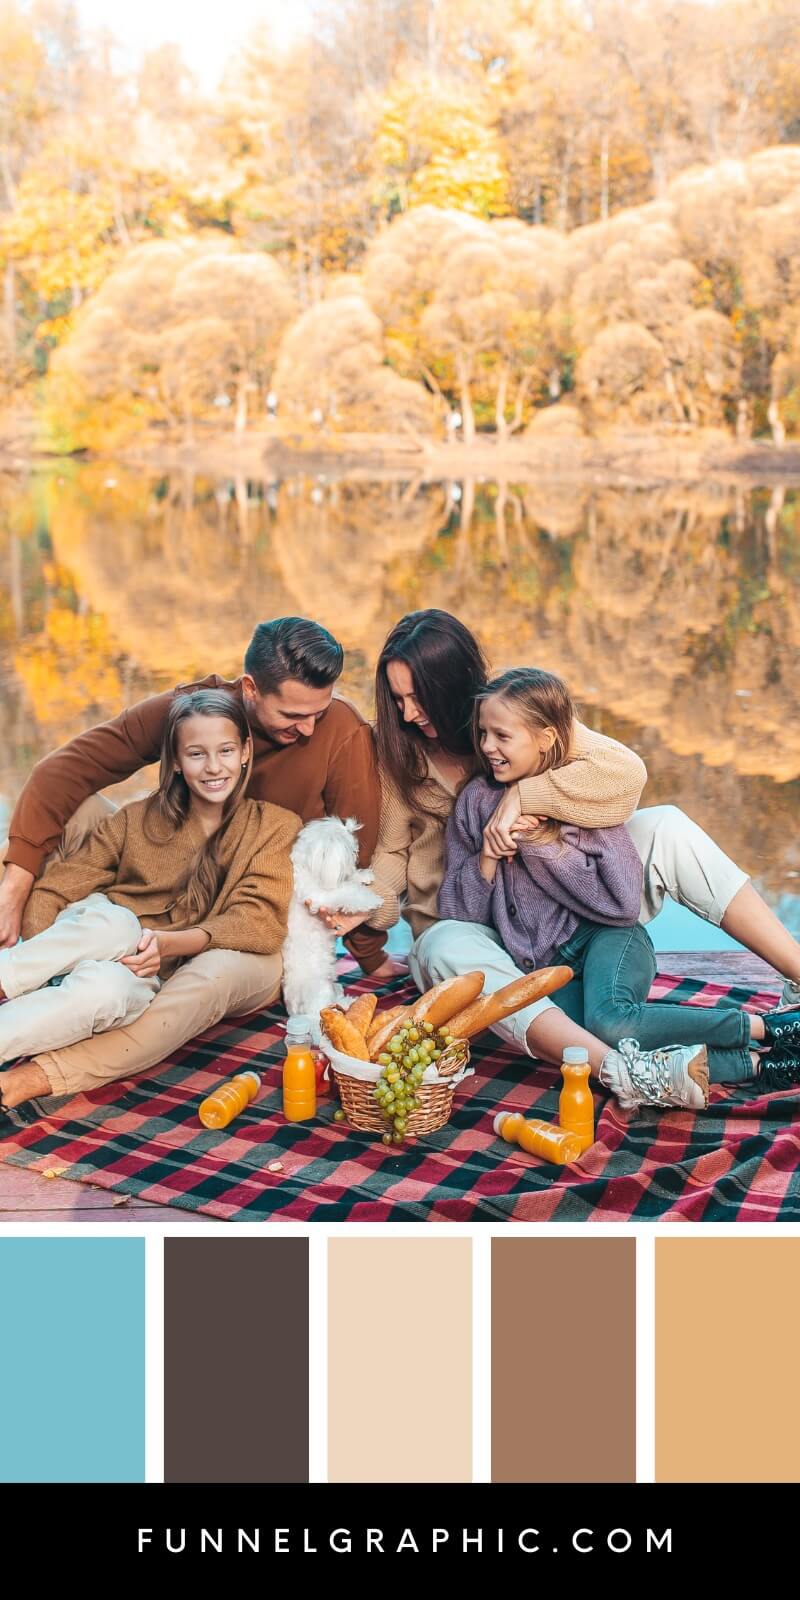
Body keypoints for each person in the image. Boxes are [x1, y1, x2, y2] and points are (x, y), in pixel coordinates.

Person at [331, 609, 800, 1110]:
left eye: (417, 698)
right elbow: (390, 857)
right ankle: (624, 1072)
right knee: (446, 942)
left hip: (582, 908)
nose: (406, 713)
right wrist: (363, 908)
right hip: (480, 933)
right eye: (396, 698)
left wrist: (527, 797)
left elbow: (624, 773)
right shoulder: (398, 753)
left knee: (667, 825)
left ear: (454, 686)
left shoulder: (517, 710)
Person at [0, 616, 388, 1105]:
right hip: (162, 895)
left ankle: (31, 1079)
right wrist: (17, 888)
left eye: (320, 710)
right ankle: (29, 963)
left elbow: (353, 853)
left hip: (258, 921)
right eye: (292, 714)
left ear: (244, 753)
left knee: (204, 979)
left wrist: (369, 951)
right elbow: (62, 772)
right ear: (250, 689)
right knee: (70, 823)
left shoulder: (331, 745)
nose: (309, 727)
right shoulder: (191, 713)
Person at [440, 668, 798, 1108]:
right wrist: (488, 859)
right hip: (547, 967)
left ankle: (769, 1028)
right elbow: (461, 912)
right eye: (482, 733)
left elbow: (622, 905)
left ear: (545, 737)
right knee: (584, 1047)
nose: (487, 747)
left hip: (610, 940)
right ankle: (762, 1066)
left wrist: (543, 846)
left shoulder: (584, 797)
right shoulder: (476, 801)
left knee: (610, 1023)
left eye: (502, 735)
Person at [0, 690, 299, 1114]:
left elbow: (260, 922)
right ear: (175, 762)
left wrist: (167, 945)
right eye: (196, 754)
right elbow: (59, 886)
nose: (214, 767)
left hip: (144, 969)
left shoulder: (273, 827)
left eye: (226, 751)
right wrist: (49, 959)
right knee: (118, 925)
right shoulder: (136, 819)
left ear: (246, 751)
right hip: (96, 934)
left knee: (108, 993)